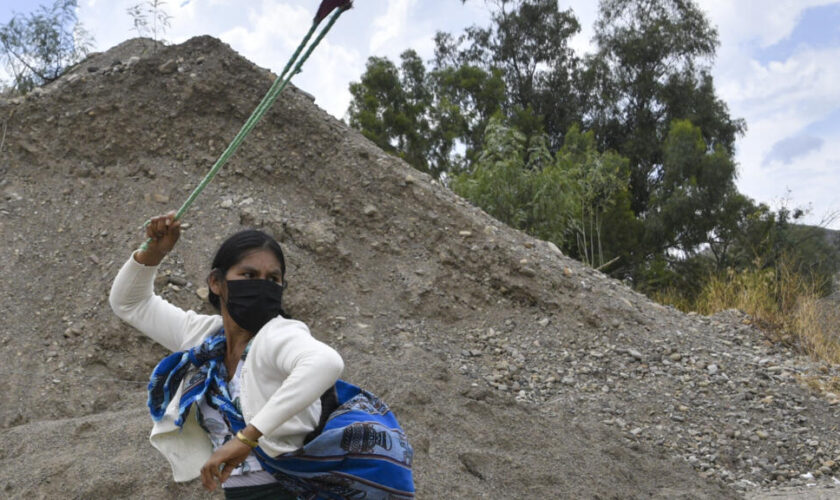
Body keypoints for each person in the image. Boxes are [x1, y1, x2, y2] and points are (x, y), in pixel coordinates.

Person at [110, 212, 414, 499]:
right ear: (216, 282)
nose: (261, 285)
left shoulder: (279, 335)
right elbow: (130, 304)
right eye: (249, 274)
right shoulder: (204, 337)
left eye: (273, 279)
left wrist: (247, 438)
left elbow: (326, 362)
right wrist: (154, 251)